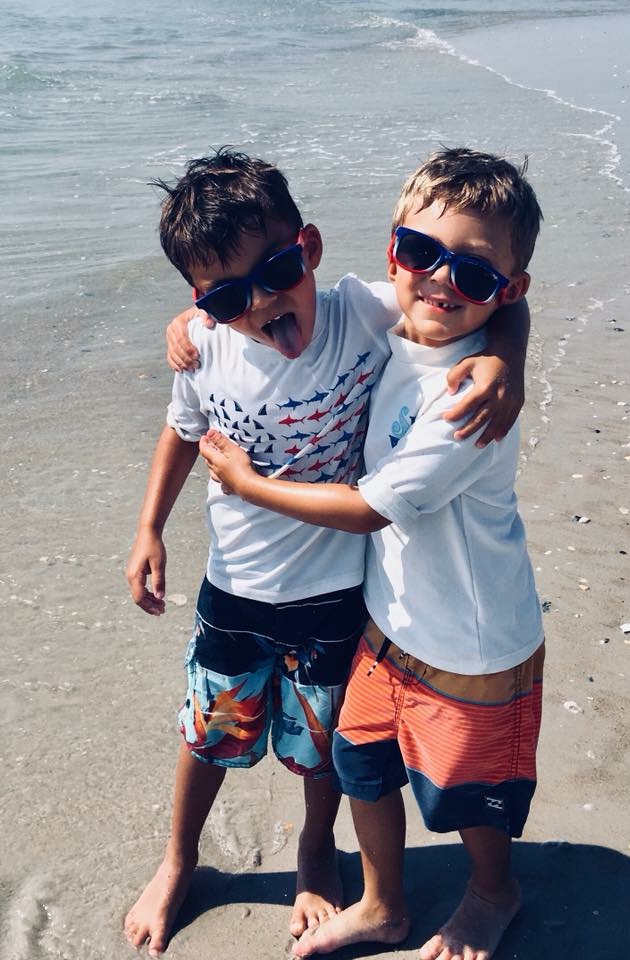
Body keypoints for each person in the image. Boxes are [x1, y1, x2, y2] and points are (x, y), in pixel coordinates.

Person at [124, 147, 530, 958]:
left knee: (324, 745)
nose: (265, 303)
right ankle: (178, 860)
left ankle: (317, 852)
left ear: (308, 248)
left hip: (341, 590)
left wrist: (506, 357)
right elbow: (182, 429)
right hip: (236, 585)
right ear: (202, 302)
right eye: (231, 295)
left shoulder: (360, 311)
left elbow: (476, 297)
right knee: (209, 730)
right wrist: (149, 529)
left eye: (277, 271)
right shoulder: (205, 346)